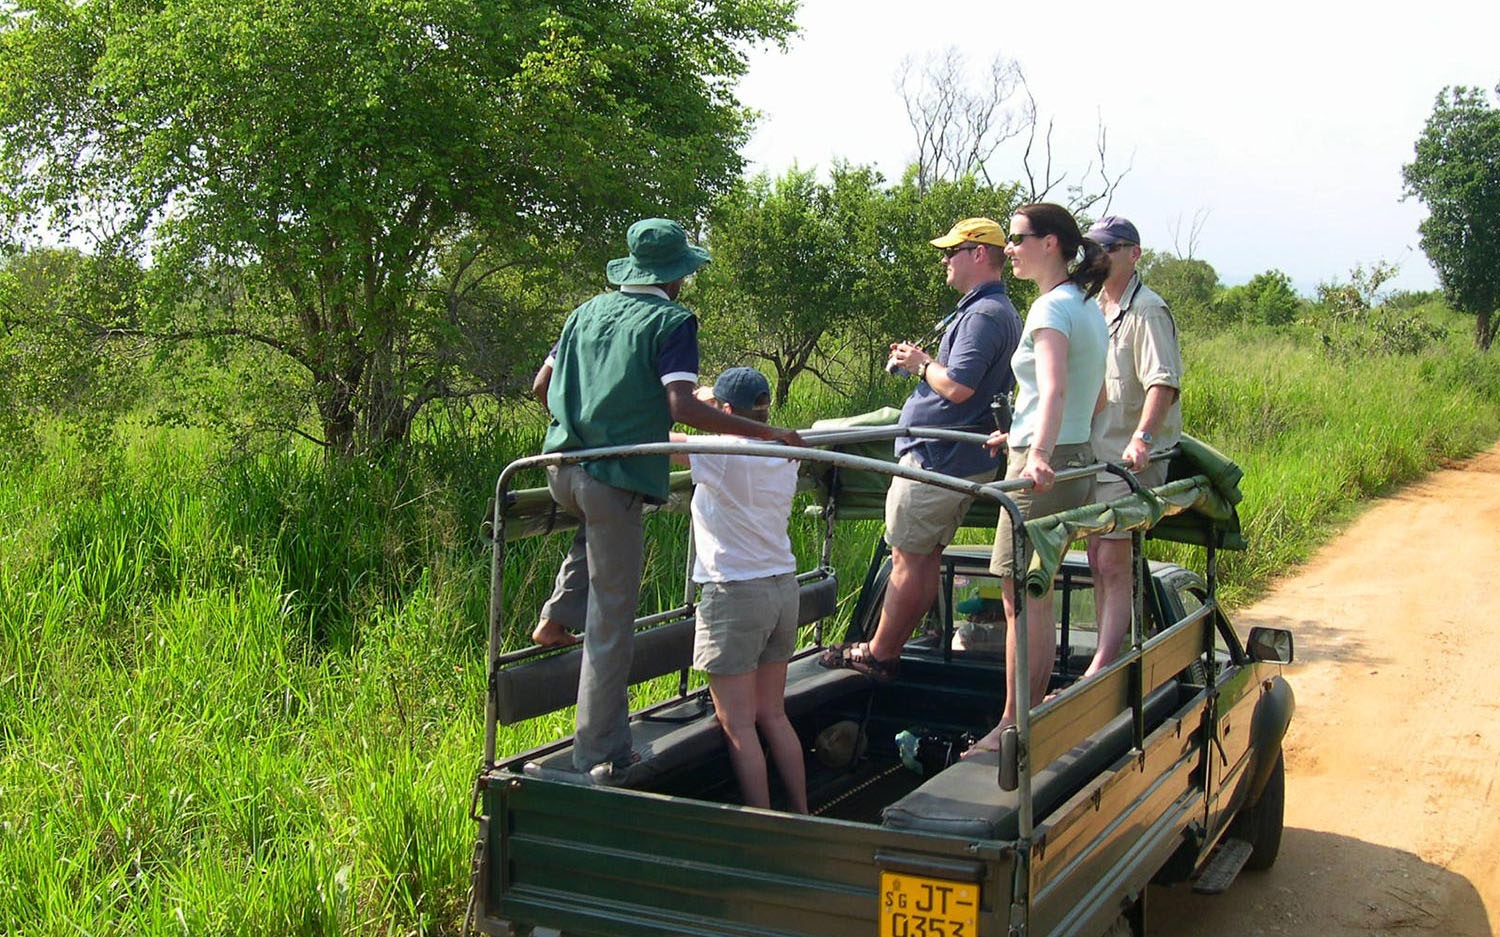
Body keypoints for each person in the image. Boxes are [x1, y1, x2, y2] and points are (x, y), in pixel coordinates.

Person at [529, 218, 804, 779]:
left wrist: (580, 429)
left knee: (592, 536)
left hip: (560, 467)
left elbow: (541, 386)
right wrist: (770, 434)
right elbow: (681, 405)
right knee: (611, 620)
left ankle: (555, 616)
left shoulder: (584, 312)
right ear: (676, 276)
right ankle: (600, 748)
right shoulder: (672, 320)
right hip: (615, 479)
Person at [818, 217, 1022, 678]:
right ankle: (888, 647)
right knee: (923, 556)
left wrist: (920, 363)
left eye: (952, 252)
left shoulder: (985, 315)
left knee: (908, 558)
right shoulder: (990, 311)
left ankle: (880, 652)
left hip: (938, 458)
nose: (945, 260)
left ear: (978, 254)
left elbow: (958, 387)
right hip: (953, 459)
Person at [968, 203, 1110, 755]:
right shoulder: (1087, 306)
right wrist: (1027, 435)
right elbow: (1095, 397)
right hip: (1075, 457)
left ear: (1050, 243)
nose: (1011, 249)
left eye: (1019, 239)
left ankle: (1009, 727)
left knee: (1017, 598)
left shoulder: (1051, 309)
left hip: (1044, 465)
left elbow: (1052, 390)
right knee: (1038, 593)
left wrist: (1038, 451)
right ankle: (1027, 717)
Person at [669, 367, 808, 812]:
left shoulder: (723, 450)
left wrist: (700, 407)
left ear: (726, 412)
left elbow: (659, 435)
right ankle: (802, 813)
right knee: (773, 714)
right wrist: (717, 409)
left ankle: (762, 823)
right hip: (782, 587)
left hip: (735, 592)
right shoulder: (785, 449)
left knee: (739, 725)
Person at [1083, 216, 1183, 675]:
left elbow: (1162, 383)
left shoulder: (1148, 310)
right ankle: (1110, 649)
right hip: (1092, 453)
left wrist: (1143, 439)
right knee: (1095, 555)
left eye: (1108, 249)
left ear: (1133, 254)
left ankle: (1105, 662)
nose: (1098, 257)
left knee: (1112, 558)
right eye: (1094, 249)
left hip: (1128, 459)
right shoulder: (1092, 307)